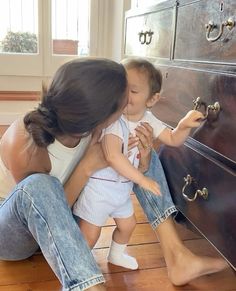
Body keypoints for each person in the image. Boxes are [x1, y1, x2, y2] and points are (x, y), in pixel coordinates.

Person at [71, 58, 228, 285]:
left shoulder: (147, 119)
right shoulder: (115, 121)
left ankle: (116, 254)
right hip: (100, 190)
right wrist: (142, 180)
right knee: (91, 235)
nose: (125, 96)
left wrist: (183, 124)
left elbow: (172, 139)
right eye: (122, 88)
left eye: (133, 91)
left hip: (121, 191)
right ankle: (77, 264)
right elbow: (113, 156)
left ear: (152, 99)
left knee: (128, 226)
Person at [0, 57, 130, 291]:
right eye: (124, 103)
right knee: (40, 185)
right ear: (99, 116)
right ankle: (87, 287)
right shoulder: (23, 144)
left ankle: (176, 254)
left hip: (57, 230)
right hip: (11, 234)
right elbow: (43, 211)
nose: (128, 106)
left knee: (129, 143)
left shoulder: (96, 129)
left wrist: (143, 158)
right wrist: (86, 167)